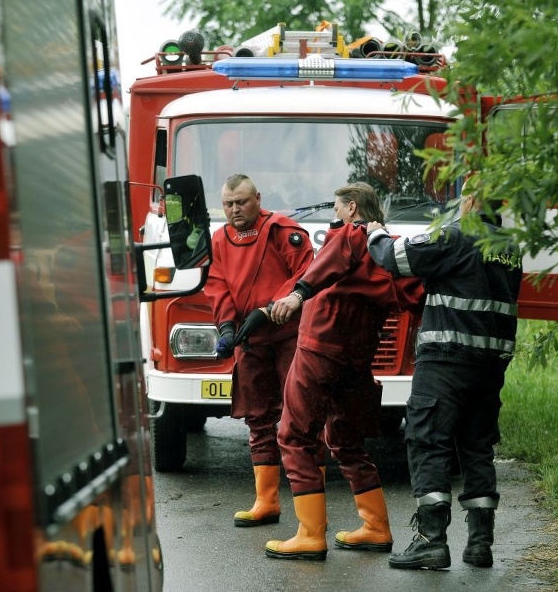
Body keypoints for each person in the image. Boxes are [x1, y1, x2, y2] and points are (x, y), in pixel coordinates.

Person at [260, 182, 424, 561]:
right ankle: (376, 527)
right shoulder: (391, 252)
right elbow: (413, 296)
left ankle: (309, 534)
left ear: (352, 208)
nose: (334, 217)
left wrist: (296, 294)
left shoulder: (351, 234)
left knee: (293, 434)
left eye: (336, 209)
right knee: (346, 439)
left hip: (320, 350)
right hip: (356, 360)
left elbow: (320, 273)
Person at [365, 185, 523, 570]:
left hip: (446, 360)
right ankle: (480, 544)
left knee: (428, 440)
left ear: (468, 201)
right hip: (490, 364)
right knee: (476, 446)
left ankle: (431, 541)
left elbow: (394, 257)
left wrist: (374, 232)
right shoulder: (511, 249)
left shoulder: (455, 234)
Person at [204, 174, 315, 528]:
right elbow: (216, 283)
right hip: (249, 341)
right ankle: (266, 501)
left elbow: (307, 272)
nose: (235, 209)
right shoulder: (219, 239)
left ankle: (310, 512)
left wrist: (268, 309)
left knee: (302, 418)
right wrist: (225, 326)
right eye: (228, 204)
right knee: (258, 421)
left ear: (258, 199)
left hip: (287, 337)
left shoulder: (282, 229)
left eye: (241, 202)